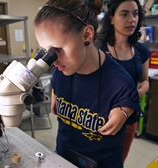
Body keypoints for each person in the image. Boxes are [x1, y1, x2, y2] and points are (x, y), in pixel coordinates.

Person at [34, 0, 143, 167]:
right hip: (63, 158)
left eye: (58, 49)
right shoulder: (60, 70)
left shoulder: (120, 83)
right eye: (46, 50)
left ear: (86, 35)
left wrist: (124, 110)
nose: (52, 60)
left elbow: (129, 99)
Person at [99, 0, 151, 163]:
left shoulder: (141, 50)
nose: (132, 20)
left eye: (135, 14)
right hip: (100, 117)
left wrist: (136, 94)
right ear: (111, 18)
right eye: (124, 14)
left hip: (128, 120)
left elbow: (145, 81)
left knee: (118, 160)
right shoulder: (98, 47)